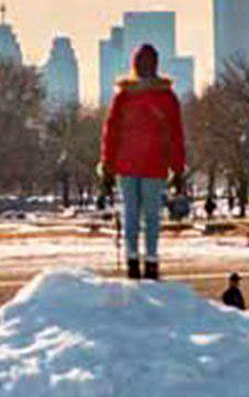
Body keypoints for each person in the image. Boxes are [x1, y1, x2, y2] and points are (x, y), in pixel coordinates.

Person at [100, 43, 187, 282]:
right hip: (154, 164)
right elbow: (176, 135)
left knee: (131, 214)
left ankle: (132, 260)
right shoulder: (167, 97)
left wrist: (107, 166)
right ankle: (151, 260)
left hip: (126, 165)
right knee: (151, 216)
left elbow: (111, 133)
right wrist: (178, 169)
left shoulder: (124, 96)